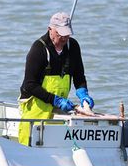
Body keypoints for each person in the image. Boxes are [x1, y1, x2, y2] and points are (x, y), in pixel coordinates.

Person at [18, 12, 94, 145]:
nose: (64, 38)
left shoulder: (73, 46)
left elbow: (79, 76)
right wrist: (55, 100)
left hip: (58, 109)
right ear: (50, 30)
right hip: (36, 107)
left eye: (67, 34)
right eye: (60, 34)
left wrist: (83, 93)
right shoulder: (39, 49)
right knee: (30, 143)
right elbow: (30, 85)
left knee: (55, 143)